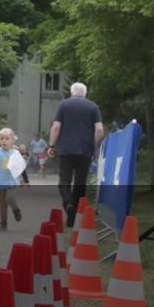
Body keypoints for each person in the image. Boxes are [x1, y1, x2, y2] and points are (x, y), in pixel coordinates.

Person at [48, 82, 104, 227]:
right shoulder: (93, 107)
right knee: (80, 183)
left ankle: (68, 205)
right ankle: (74, 216)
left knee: (64, 181)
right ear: (85, 94)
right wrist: (95, 147)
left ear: (72, 93)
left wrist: (51, 145)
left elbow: (56, 126)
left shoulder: (63, 105)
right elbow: (99, 129)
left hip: (66, 150)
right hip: (85, 151)